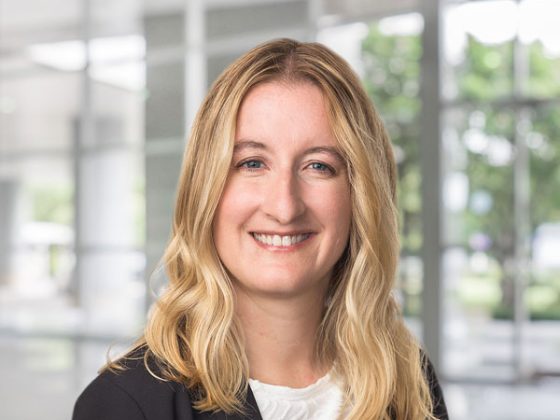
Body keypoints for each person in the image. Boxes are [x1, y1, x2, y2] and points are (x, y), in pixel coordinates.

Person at [73, 38, 448, 420]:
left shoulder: (406, 378)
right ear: (206, 190)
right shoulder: (125, 404)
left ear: (361, 196)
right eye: (252, 163)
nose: (284, 207)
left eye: (319, 166)